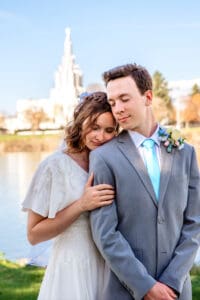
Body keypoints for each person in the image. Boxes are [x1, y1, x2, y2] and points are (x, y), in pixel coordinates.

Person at [90, 63, 200, 300]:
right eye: (112, 102)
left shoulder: (185, 152)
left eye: (124, 99)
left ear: (147, 97)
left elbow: (194, 223)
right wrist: (146, 287)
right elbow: (106, 234)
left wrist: (172, 281)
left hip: (177, 291)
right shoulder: (103, 157)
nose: (117, 109)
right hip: (126, 291)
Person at [22, 91, 118, 300]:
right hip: (71, 270)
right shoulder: (54, 166)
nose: (100, 136)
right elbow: (33, 234)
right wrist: (81, 205)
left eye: (109, 130)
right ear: (81, 123)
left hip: (107, 269)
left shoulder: (111, 164)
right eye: (94, 127)